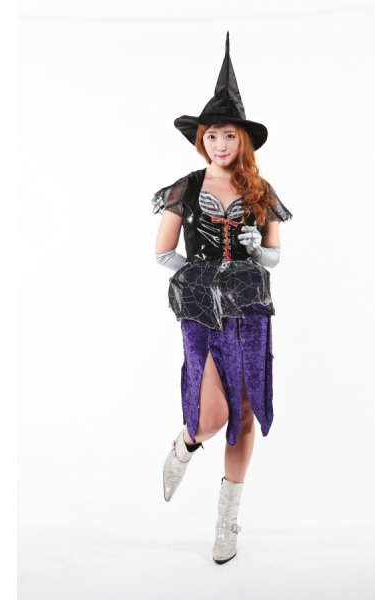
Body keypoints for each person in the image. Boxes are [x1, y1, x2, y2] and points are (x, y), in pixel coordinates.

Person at [152, 32, 292, 565]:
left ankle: (227, 520)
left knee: (245, 409)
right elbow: (163, 252)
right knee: (212, 416)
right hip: (200, 309)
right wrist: (197, 278)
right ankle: (187, 442)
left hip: (250, 305)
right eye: (211, 136)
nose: (220, 144)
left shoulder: (261, 191)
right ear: (202, 140)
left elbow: (274, 256)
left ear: (242, 140)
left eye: (229, 135)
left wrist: (258, 248)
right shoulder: (185, 188)